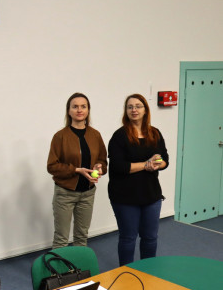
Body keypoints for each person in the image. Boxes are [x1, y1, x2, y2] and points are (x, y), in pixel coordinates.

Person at [108, 94, 169, 266]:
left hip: (151, 195)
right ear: (126, 111)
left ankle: (147, 271)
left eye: (138, 106)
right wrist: (146, 164)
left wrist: (158, 163)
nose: (134, 110)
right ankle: (126, 274)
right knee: (128, 238)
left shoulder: (155, 133)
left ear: (145, 110)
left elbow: (165, 160)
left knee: (150, 237)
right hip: (125, 197)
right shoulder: (119, 136)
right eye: (130, 107)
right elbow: (119, 166)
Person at [47, 93, 107, 248]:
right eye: (75, 107)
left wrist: (99, 167)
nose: (79, 110)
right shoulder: (60, 136)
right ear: (69, 111)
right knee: (61, 239)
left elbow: (103, 161)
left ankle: (78, 264)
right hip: (65, 194)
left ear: (88, 110)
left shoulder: (95, 135)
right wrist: (76, 170)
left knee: (81, 237)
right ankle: (59, 265)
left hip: (88, 193)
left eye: (83, 106)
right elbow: (52, 166)